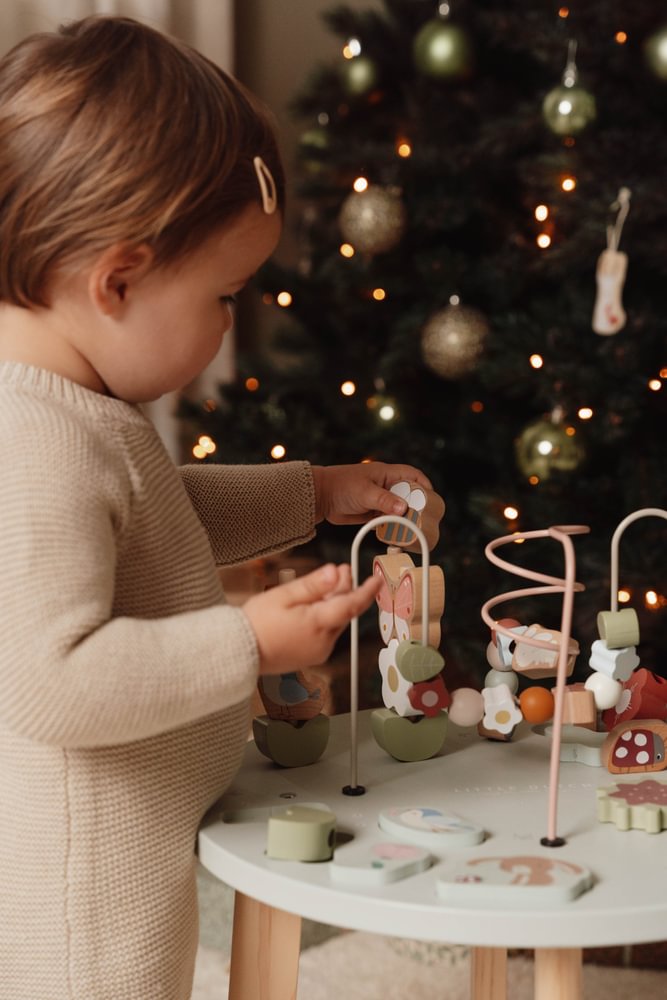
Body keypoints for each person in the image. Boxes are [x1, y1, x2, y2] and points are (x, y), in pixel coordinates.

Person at [0, 16, 432, 1000]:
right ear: (117, 279)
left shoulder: (72, 409)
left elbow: (155, 518)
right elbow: (48, 681)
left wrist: (314, 492)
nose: (235, 320)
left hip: (120, 856)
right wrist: (246, 642)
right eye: (225, 294)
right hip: (81, 908)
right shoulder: (32, 441)